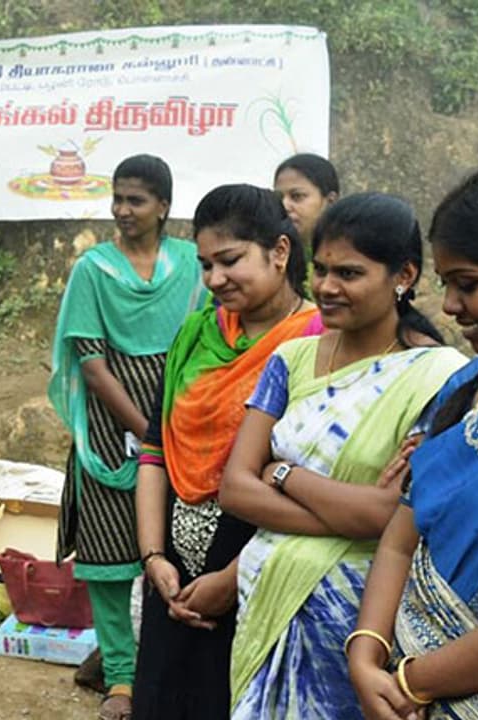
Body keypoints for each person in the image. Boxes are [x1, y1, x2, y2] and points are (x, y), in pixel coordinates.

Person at [221, 192, 466, 719]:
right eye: (323, 270)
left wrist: (281, 472)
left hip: (358, 619)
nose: (328, 288)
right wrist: (348, 509)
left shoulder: (438, 376)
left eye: (350, 273)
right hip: (265, 602)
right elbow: (235, 488)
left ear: (402, 275)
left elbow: (389, 517)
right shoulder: (290, 361)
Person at [133, 184, 323, 719]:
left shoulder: (319, 343)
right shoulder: (196, 335)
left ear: (280, 252)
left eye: (230, 261)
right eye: (205, 264)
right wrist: (154, 558)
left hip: (260, 576)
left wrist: (234, 577)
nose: (215, 279)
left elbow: (319, 478)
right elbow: (154, 449)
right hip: (171, 578)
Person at [349, 165, 478, 718]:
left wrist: (412, 682)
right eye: (446, 284)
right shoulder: (466, 389)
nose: (448, 306)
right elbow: (402, 537)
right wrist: (366, 653)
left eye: (467, 284)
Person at [48, 154, 202, 720]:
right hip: (113, 436)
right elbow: (90, 362)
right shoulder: (94, 270)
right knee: (110, 557)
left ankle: (165, 668)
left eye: (136, 200)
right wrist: (145, 431)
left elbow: (207, 343)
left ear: (164, 205)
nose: (123, 210)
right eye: (117, 199)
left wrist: (174, 431)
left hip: (185, 426)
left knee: (181, 550)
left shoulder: (190, 264)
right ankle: (120, 679)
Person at [274, 153, 339, 244]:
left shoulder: (353, 253)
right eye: (278, 198)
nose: (284, 206)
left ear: (330, 202)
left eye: (297, 196)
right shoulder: (267, 254)